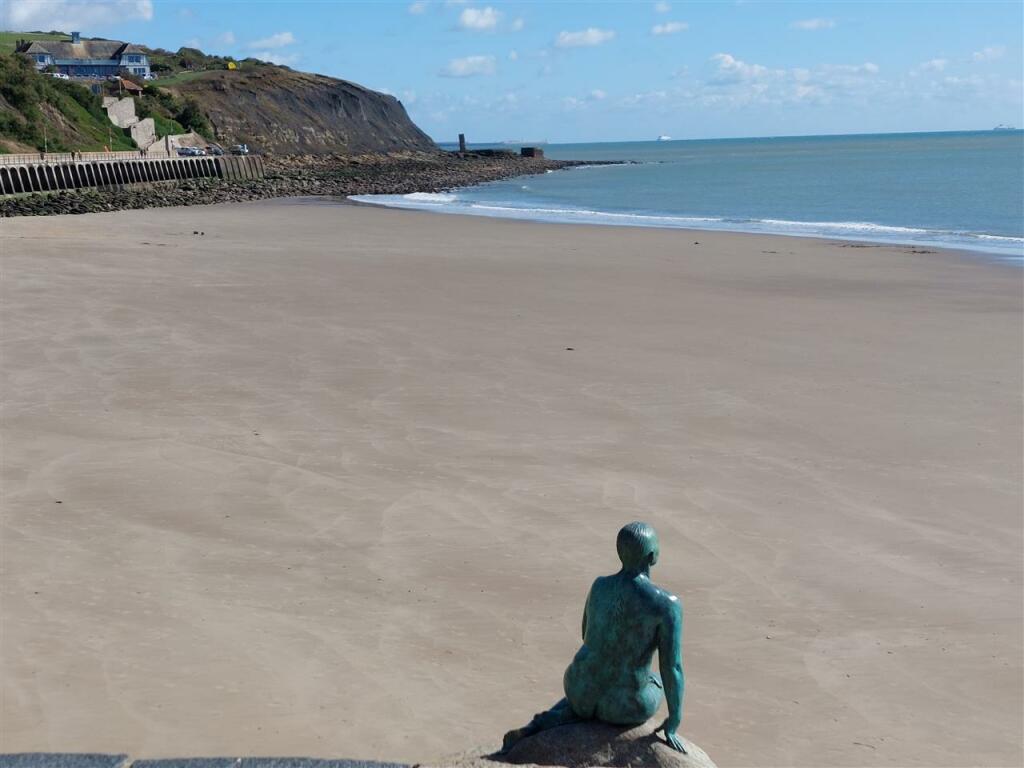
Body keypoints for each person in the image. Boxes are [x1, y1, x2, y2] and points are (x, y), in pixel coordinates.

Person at [501, 522, 686, 753]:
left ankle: (544, 721)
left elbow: (586, 634)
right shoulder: (666, 606)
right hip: (624, 707)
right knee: (656, 678)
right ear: (651, 556)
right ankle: (576, 710)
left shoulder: (599, 586)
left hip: (577, 687)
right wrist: (674, 720)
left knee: (597, 671)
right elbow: (673, 667)